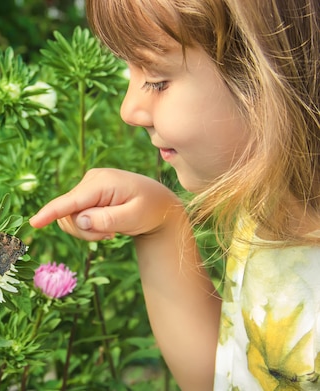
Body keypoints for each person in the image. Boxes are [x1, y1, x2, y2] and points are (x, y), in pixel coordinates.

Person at [29, 0, 320, 389]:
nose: (128, 109)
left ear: (267, 74)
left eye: (156, 80)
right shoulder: (270, 202)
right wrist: (162, 225)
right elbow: (229, 376)